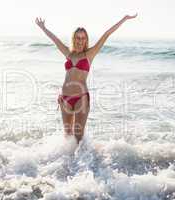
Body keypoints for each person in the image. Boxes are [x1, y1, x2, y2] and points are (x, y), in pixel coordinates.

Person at [35, 14, 137, 144]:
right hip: (65, 98)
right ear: (74, 39)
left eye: (83, 38)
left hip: (81, 98)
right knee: (67, 135)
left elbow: (106, 34)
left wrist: (124, 19)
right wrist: (43, 28)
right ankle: (68, 162)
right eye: (78, 37)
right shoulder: (68, 53)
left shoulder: (90, 54)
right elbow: (55, 40)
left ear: (86, 40)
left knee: (78, 137)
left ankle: (85, 162)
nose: (80, 40)